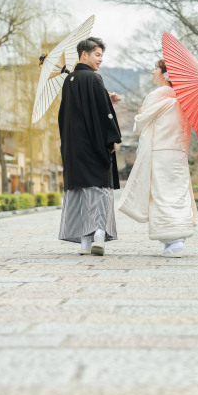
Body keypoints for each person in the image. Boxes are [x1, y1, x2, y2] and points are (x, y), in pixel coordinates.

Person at [117, 59, 197, 257]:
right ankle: (176, 240)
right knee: (178, 192)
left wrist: (141, 114)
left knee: (161, 194)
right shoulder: (185, 99)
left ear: (165, 74)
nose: (153, 72)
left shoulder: (156, 96)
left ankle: (172, 241)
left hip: (160, 151)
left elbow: (140, 125)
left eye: (156, 69)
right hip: (179, 152)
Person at [58, 36, 123, 256]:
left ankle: (84, 242)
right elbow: (102, 114)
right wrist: (112, 137)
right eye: (97, 54)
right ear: (83, 54)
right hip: (93, 145)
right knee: (99, 190)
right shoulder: (94, 79)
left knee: (80, 191)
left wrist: (106, 97)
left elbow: (69, 114)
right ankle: (98, 235)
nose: (100, 59)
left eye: (101, 55)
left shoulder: (69, 81)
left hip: (74, 147)